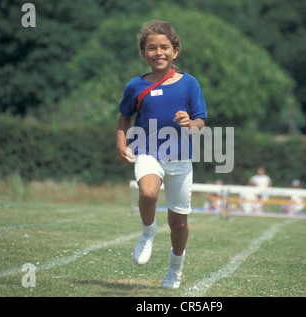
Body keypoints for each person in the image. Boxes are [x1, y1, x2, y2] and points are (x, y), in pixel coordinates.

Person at [116, 20, 207, 289]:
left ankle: (174, 272)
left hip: (180, 158)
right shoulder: (135, 85)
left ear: (175, 51)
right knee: (147, 193)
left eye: (164, 47)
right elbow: (124, 118)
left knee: (178, 224)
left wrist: (190, 123)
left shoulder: (189, 83)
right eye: (151, 48)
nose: (159, 52)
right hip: (147, 151)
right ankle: (147, 232)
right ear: (143, 53)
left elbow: (201, 122)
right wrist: (121, 144)